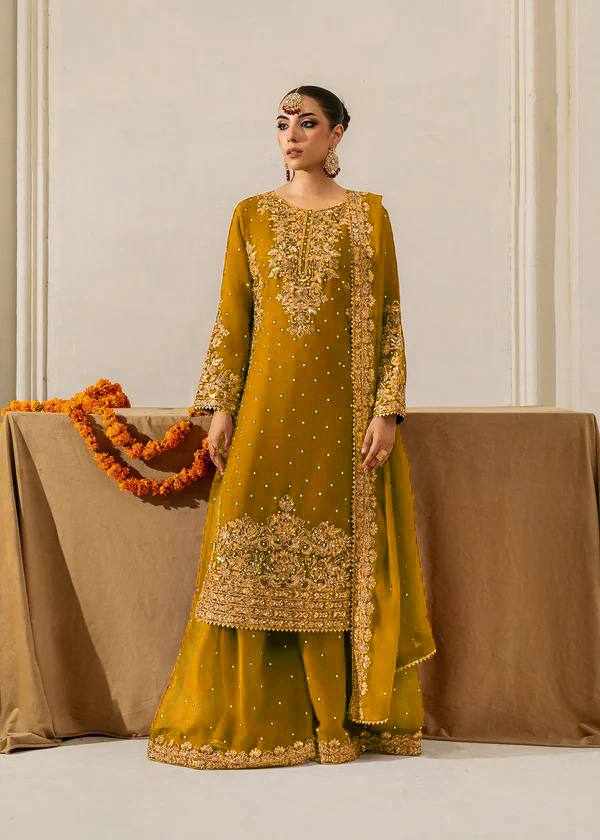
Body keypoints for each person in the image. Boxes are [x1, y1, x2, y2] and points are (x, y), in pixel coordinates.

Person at [147, 85, 437, 770]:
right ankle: (252, 712)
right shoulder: (250, 215)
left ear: (337, 134)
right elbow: (234, 316)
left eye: (307, 123)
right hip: (266, 409)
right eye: (283, 123)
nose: (292, 134)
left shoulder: (368, 216)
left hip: (342, 419)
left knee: (337, 560)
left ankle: (334, 719)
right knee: (244, 548)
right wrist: (221, 409)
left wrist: (386, 408)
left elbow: (389, 317)